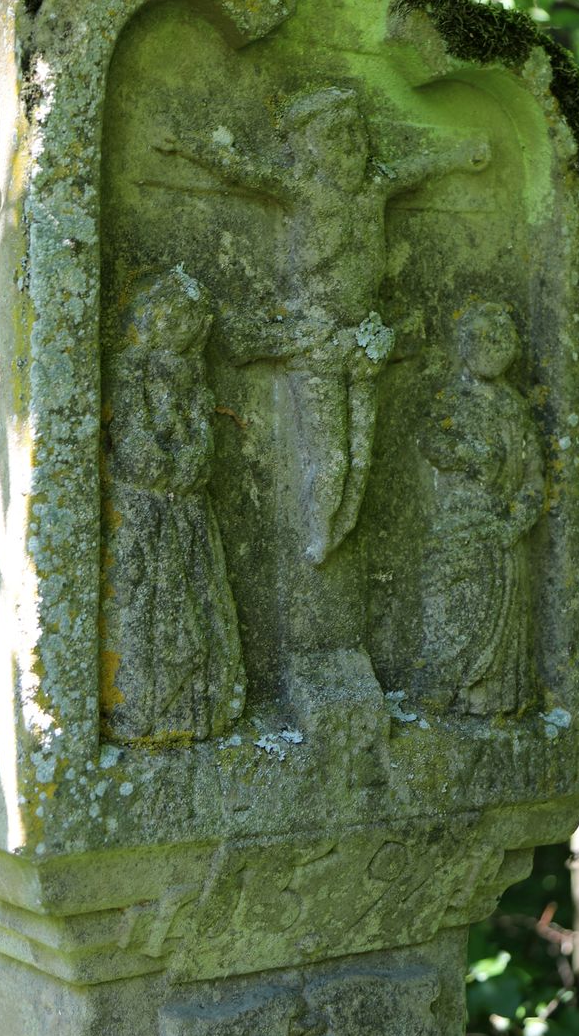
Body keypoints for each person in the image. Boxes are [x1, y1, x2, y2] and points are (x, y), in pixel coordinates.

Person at [157, 86, 490, 564]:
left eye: (356, 132)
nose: (352, 144)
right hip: (315, 340)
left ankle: (340, 531)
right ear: (311, 146)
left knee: (360, 461)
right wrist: (187, 145)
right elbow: (242, 170)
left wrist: (461, 156)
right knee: (331, 461)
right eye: (336, 135)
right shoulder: (304, 189)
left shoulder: (376, 185)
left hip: (365, 340)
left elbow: (420, 168)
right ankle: (319, 536)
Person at [103, 268, 245, 743]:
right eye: (172, 313)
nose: (180, 325)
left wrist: (194, 462)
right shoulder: (133, 367)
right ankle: (145, 705)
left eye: (191, 318)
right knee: (145, 602)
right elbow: (131, 437)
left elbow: (202, 437)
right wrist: (164, 469)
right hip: (145, 505)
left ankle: (194, 710)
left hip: (186, 506)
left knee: (198, 600)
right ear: (152, 314)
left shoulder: (193, 374)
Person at [418, 303, 544, 714]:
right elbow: (433, 442)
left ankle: (493, 702)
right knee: (452, 603)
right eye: (483, 338)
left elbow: (533, 477)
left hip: (503, 528)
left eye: (501, 339)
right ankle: (443, 684)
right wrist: (469, 452)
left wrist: (516, 521)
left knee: (502, 617)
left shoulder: (515, 407)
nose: (493, 347)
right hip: (459, 521)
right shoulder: (452, 397)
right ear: (465, 344)